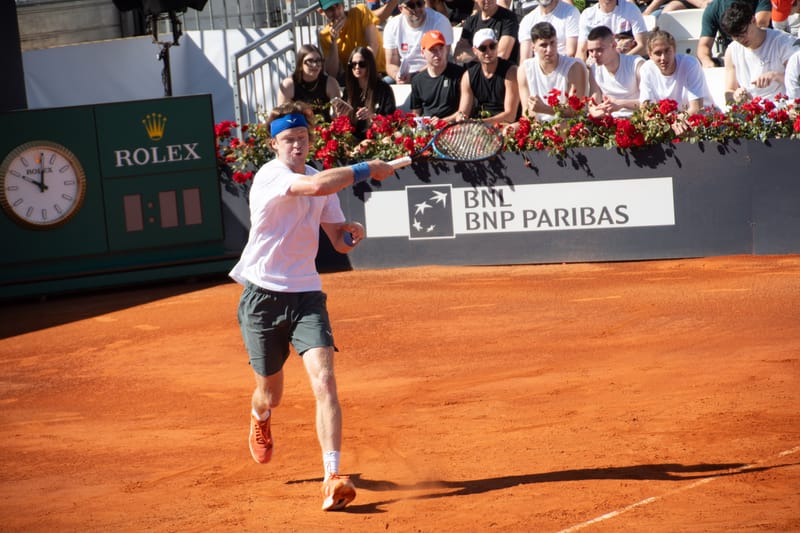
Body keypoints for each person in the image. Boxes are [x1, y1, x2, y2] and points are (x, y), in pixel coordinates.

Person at [230, 101, 396, 512]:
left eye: (303, 138)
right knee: (271, 394)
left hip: (306, 295)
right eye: (288, 140)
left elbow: (338, 238)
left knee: (324, 380)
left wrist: (351, 233)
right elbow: (320, 187)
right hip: (262, 297)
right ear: (274, 145)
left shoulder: (317, 174)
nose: (297, 146)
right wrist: (365, 168)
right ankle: (260, 416)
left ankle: (332, 475)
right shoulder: (271, 176)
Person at [721, 1, 800, 103]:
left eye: (744, 32)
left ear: (753, 20)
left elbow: (797, 81)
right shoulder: (732, 51)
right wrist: (736, 95)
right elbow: (729, 92)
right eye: (736, 37)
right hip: (751, 113)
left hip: (782, 108)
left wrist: (775, 76)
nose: (741, 39)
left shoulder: (783, 42)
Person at [517, 21, 588, 120]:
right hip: (539, 125)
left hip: (567, 123)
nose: (549, 50)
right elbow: (526, 111)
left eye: (552, 43)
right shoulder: (524, 69)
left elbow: (576, 110)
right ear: (533, 47)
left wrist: (545, 109)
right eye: (543, 45)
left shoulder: (574, 67)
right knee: (508, 130)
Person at [639, 28, 713, 114]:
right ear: (650, 55)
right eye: (658, 53)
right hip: (669, 122)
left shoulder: (690, 64)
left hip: (701, 119)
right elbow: (645, 109)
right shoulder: (646, 69)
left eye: (667, 51)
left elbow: (696, 108)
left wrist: (676, 122)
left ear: (674, 50)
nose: (663, 57)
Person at [457, 28, 521, 122]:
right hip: (480, 125)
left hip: (506, 126)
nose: (488, 51)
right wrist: (461, 119)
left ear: (497, 45)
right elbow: (463, 112)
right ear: (475, 50)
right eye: (483, 48)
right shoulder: (468, 76)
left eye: (492, 46)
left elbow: (510, 115)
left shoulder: (511, 72)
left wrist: (481, 123)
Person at [383, 0, 454, 84]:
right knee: (380, 86)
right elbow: (391, 64)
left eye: (420, 4)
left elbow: (442, 58)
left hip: (435, 72)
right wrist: (397, 76)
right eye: (411, 5)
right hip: (405, 75)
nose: (416, 9)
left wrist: (414, 77)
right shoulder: (392, 25)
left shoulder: (440, 21)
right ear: (401, 9)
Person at [318, 0, 387, 82]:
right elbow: (332, 73)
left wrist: (364, 72)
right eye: (330, 9)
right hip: (353, 77)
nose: (336, 13)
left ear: (343, 5)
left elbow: (373, 45)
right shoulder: (325, 35)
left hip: (377, 72)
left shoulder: (360, 12)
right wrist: (334, 41)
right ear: (322, 12)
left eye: (337, 6)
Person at [586, 25, 645, 117]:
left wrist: (620, 104)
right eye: (590, 51)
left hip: (636, 118)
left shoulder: (636, 64)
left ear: (614, 45)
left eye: (599, 50)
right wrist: (594, 110)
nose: (594, 55)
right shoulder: (594, 68)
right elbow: (594, 99)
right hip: (609, 120)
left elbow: (648, 102)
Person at [278, 44, 345, 122]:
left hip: (325, 129)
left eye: (318, 61)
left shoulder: (330, 83)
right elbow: (282, 117)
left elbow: (337, 115)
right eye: (310, 61)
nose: (315, 65)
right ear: (300, 64)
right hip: (298, 129)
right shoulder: (289, 85)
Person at [697, 0, 773, 68]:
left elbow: (761, 23)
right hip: (733, 57)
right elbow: (704, 45)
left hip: (765, 52)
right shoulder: (713, 8)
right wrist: (706, 61)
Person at [342, 47, 397, 139]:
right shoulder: (349, 90)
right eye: (353, 64)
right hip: (353, 137)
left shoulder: (383, 89)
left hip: (376, 137)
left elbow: (391, 121)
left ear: (369, 65)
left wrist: (372, 116)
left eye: (362, 64)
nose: (357, 67)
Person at [410, 30, 466, 120]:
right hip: (427, 128)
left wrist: (442, 121)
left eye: (441, 48)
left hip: (453, 127)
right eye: (433, 50)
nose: (438, 54)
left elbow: (464, 111)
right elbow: (416, 112)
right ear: (422, 52)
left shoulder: (460, 75)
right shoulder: (417, 80)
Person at [455, 0, 520, 65]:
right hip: (474, 72)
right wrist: (487, 54)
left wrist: (474, 53)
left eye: (492, 46)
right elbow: (458, 55)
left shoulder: (508, 18)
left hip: (501, 71)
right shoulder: (471, 21)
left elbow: (502, 54)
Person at [577, 0, 649, 58]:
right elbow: (581, 50)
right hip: (598, 64)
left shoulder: (630, 9)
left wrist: (620, 61)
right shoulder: (587, 15)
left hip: (628, 63)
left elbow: (643, 45)